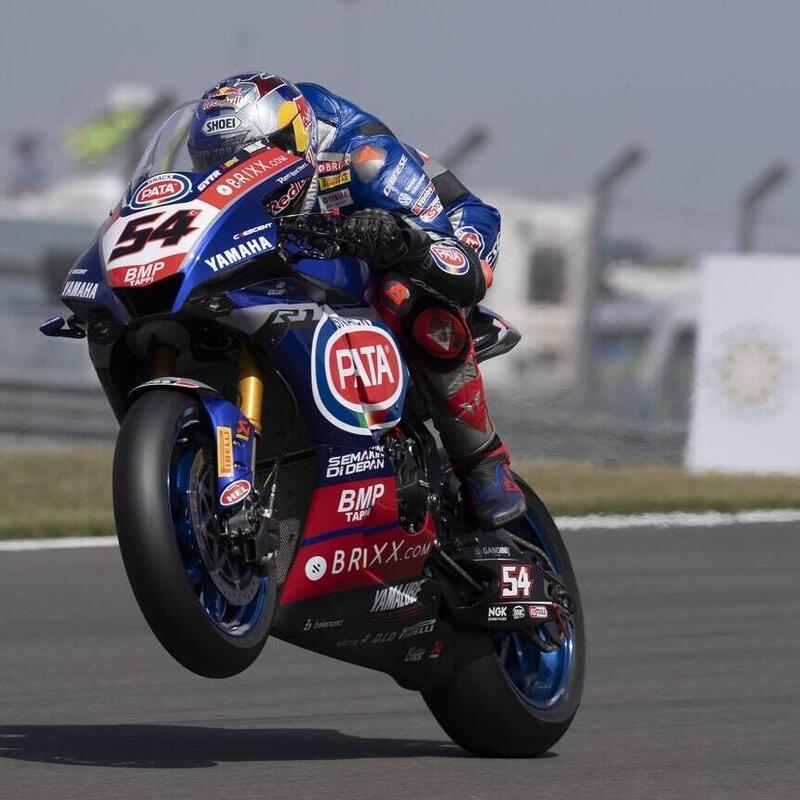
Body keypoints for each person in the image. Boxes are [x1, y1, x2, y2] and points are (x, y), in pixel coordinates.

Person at [188, 73, 525, 530]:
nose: (230, 173)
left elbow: (460, 268)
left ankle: (484, 464)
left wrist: (400, 239)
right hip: (323, 241)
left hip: (447, 227)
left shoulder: (365, 160)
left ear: (290, 140)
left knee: (408, 294)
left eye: (244, 159)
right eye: (213, 162)